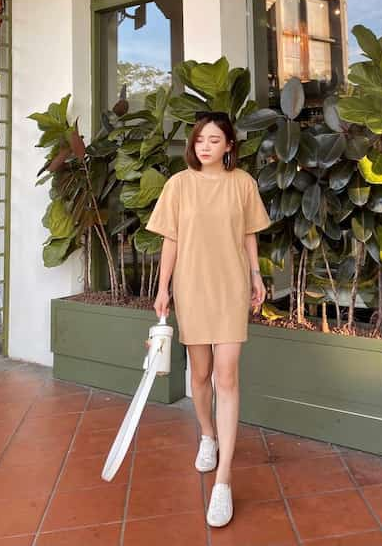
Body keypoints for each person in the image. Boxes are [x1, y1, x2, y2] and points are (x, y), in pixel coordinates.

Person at [146, 110, 272, 528]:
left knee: (227, 376)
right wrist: (162, 289)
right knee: (199, 375)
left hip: (232, 287)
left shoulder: (243, 184)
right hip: (191, 287)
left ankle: (223, 480)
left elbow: (249, 234)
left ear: (229, 146)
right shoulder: (179, 185)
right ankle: (207, 435)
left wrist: (256, 275)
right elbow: (170, 240)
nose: (205, 146)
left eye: (214, 140)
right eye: (200, 139)